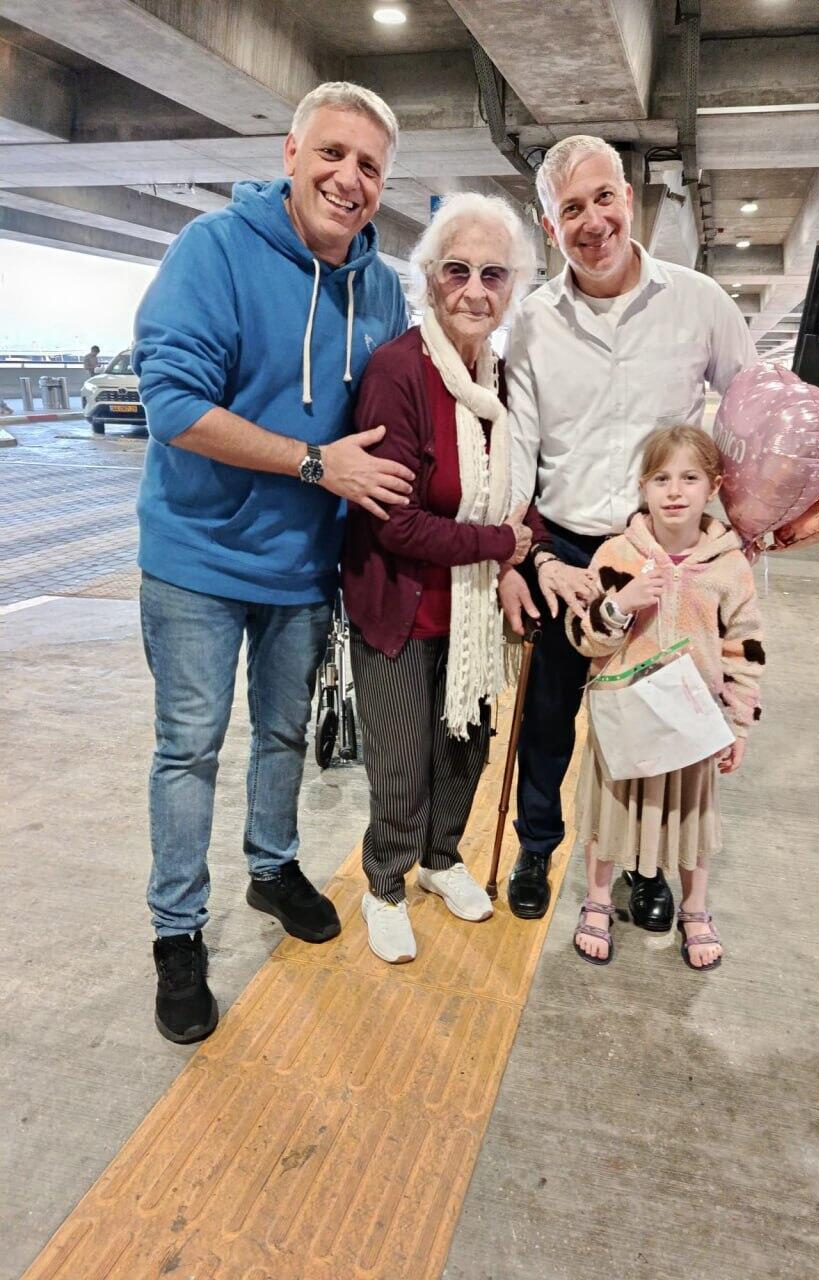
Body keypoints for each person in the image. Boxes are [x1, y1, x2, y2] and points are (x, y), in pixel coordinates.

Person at [134, 81, 412, 1044]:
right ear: (291, 153)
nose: (349, 178)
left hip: (302, 567)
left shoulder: (380, 288)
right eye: (333, 154)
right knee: (190, 748)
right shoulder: (212, 250)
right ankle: (177, 933)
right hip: (197, 561)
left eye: (370, 166)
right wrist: (311, 462)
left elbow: (400, 414)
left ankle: (271, 866)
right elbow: (170, 405)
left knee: (285, 736)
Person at [499, 133, 757, 925]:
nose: (593, 220)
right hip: (571, 555)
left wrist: (747, 534)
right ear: (550, 227)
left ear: (629, 200)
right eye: (570, 208)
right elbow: (516, 448)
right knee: (549, 717)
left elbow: (748, 418)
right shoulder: (533, 323)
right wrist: (518, 557)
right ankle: (537, 847)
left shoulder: (699, 303)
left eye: (603, 198)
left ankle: (647, 869)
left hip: (665, 554)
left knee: (658, 713)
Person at [341, 193, 539, 964]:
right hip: (398, 603)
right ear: (429, 279)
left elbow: (521, 490)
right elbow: (395, 520)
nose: (475, 290)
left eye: (494, 274)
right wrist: (501, 543)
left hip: (472, 613)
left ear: (512, 288)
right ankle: (384, 883)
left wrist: (522, 551)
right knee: (398, 759)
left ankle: (441, 860)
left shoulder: (498, 381)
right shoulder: (400, 370)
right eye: (457, 270)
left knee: (464, 748)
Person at [566, 425, 764, 968]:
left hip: (694, 721)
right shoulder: (616, 553)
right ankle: (599, 899)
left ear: (714, 486)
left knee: (692, 817)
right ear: (643, 487)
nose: (674, 491)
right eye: (661, 479)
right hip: (625, 718)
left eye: (689, 478)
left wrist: (739, 723)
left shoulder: (728, 564)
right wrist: (620, 603)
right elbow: (581, 635)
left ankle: (696, 908)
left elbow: (744, 647)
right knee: (609, 812)